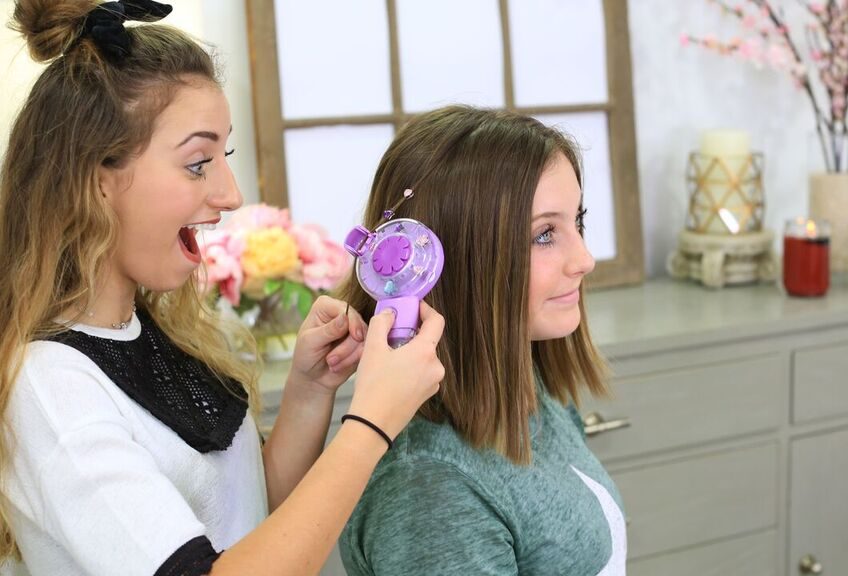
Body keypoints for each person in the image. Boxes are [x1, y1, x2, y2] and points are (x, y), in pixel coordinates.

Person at [0, 1, 444, 575]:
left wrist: (312, 390)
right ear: (96, 180)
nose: (230, 193)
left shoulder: (159, 332)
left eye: (224, 156)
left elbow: (253, 530)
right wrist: (374, 423)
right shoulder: (52, 390)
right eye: (197, 163)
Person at [338, 105, 627, 575]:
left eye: (578, 221)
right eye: (545, 235)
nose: (585, 259)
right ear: (456, 259)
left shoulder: (528, 386)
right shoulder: (430, 489)